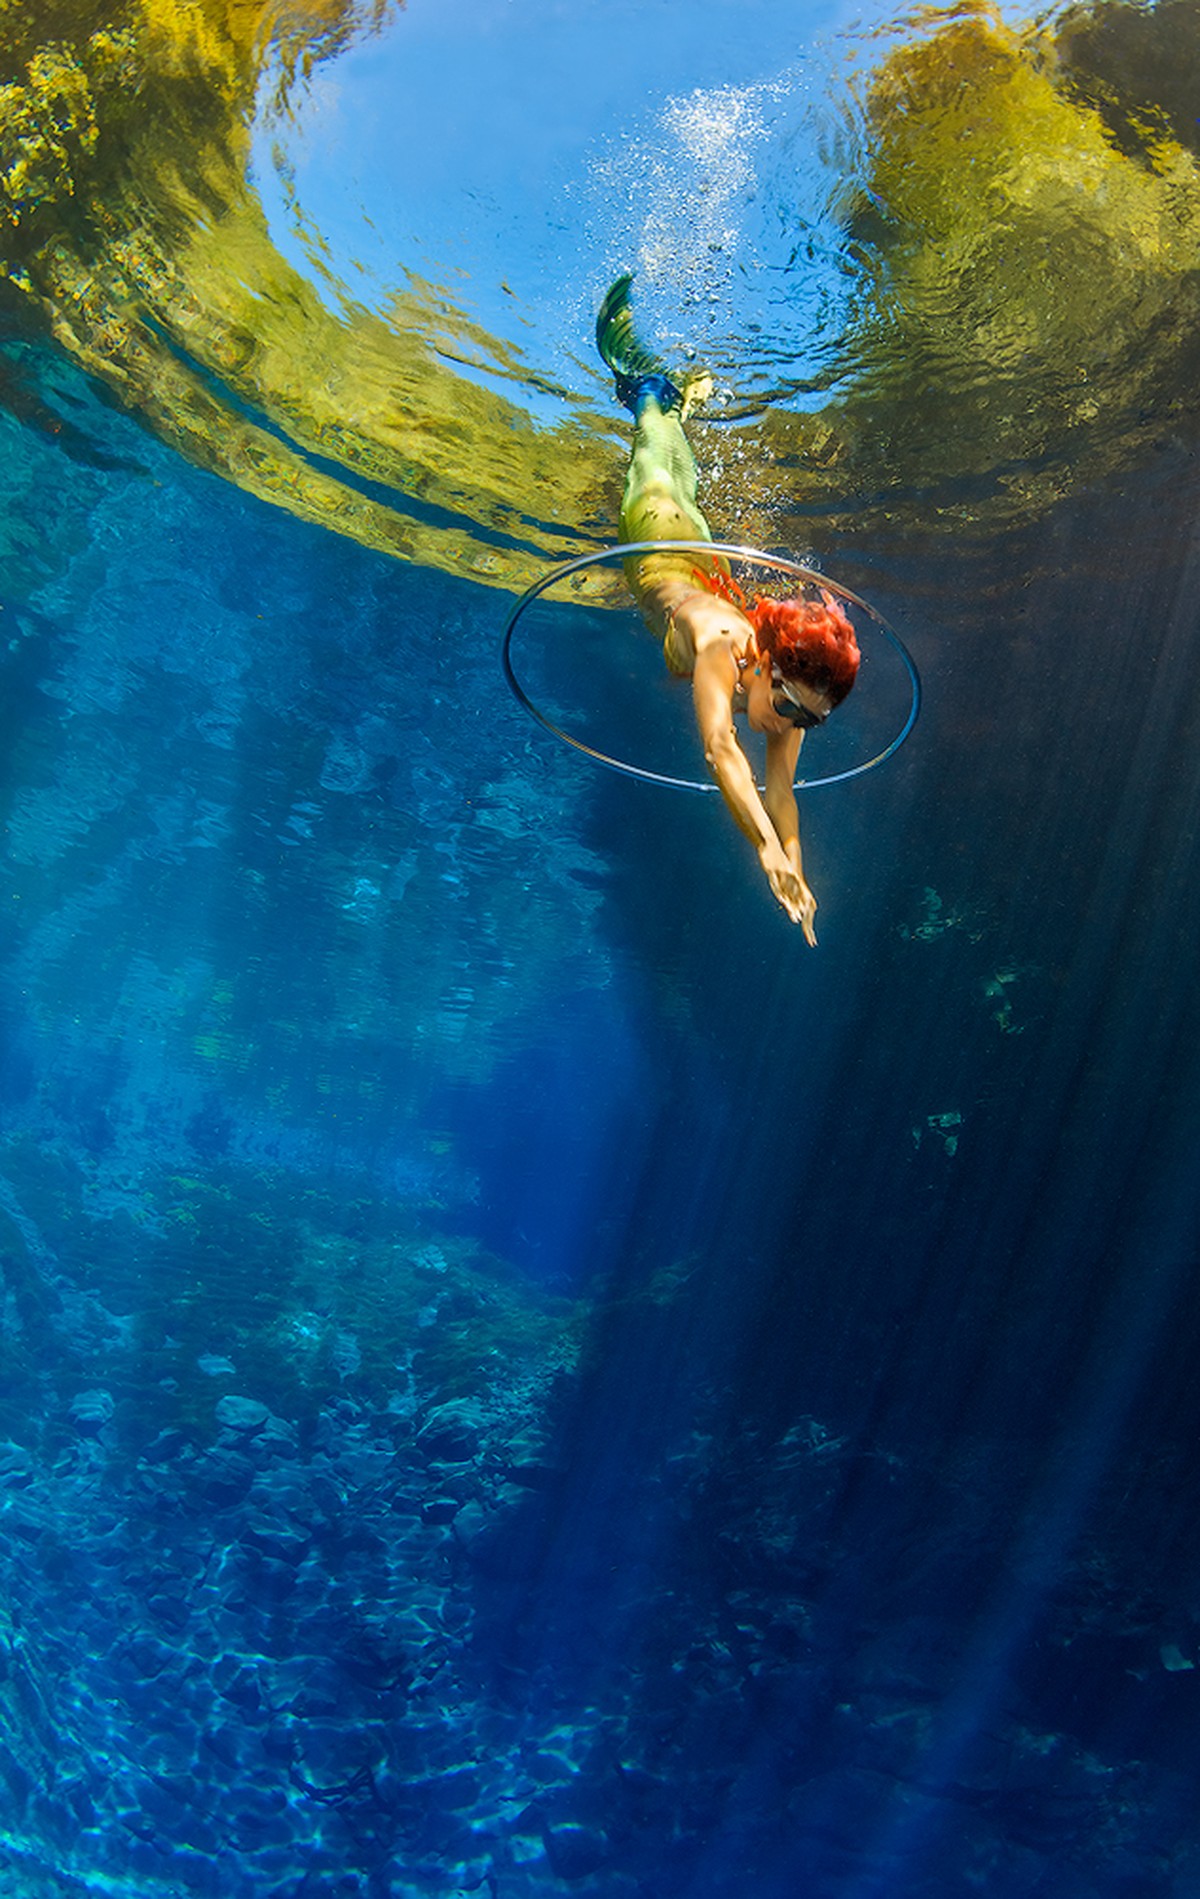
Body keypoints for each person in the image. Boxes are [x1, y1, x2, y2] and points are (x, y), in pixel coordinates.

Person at [596, 274, 860, 940]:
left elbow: (782, 794)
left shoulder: (789, 695)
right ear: (768, 661)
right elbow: (720, 749)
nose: (793, 724)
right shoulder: (719, 643)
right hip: (654, 533)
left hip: (700, 552)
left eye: (811, 720)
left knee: (683, 470)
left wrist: (796, 869)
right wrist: (765, 851)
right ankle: (641, 380)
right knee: (653, 449)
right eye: (796, 708)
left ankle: (675, 404)